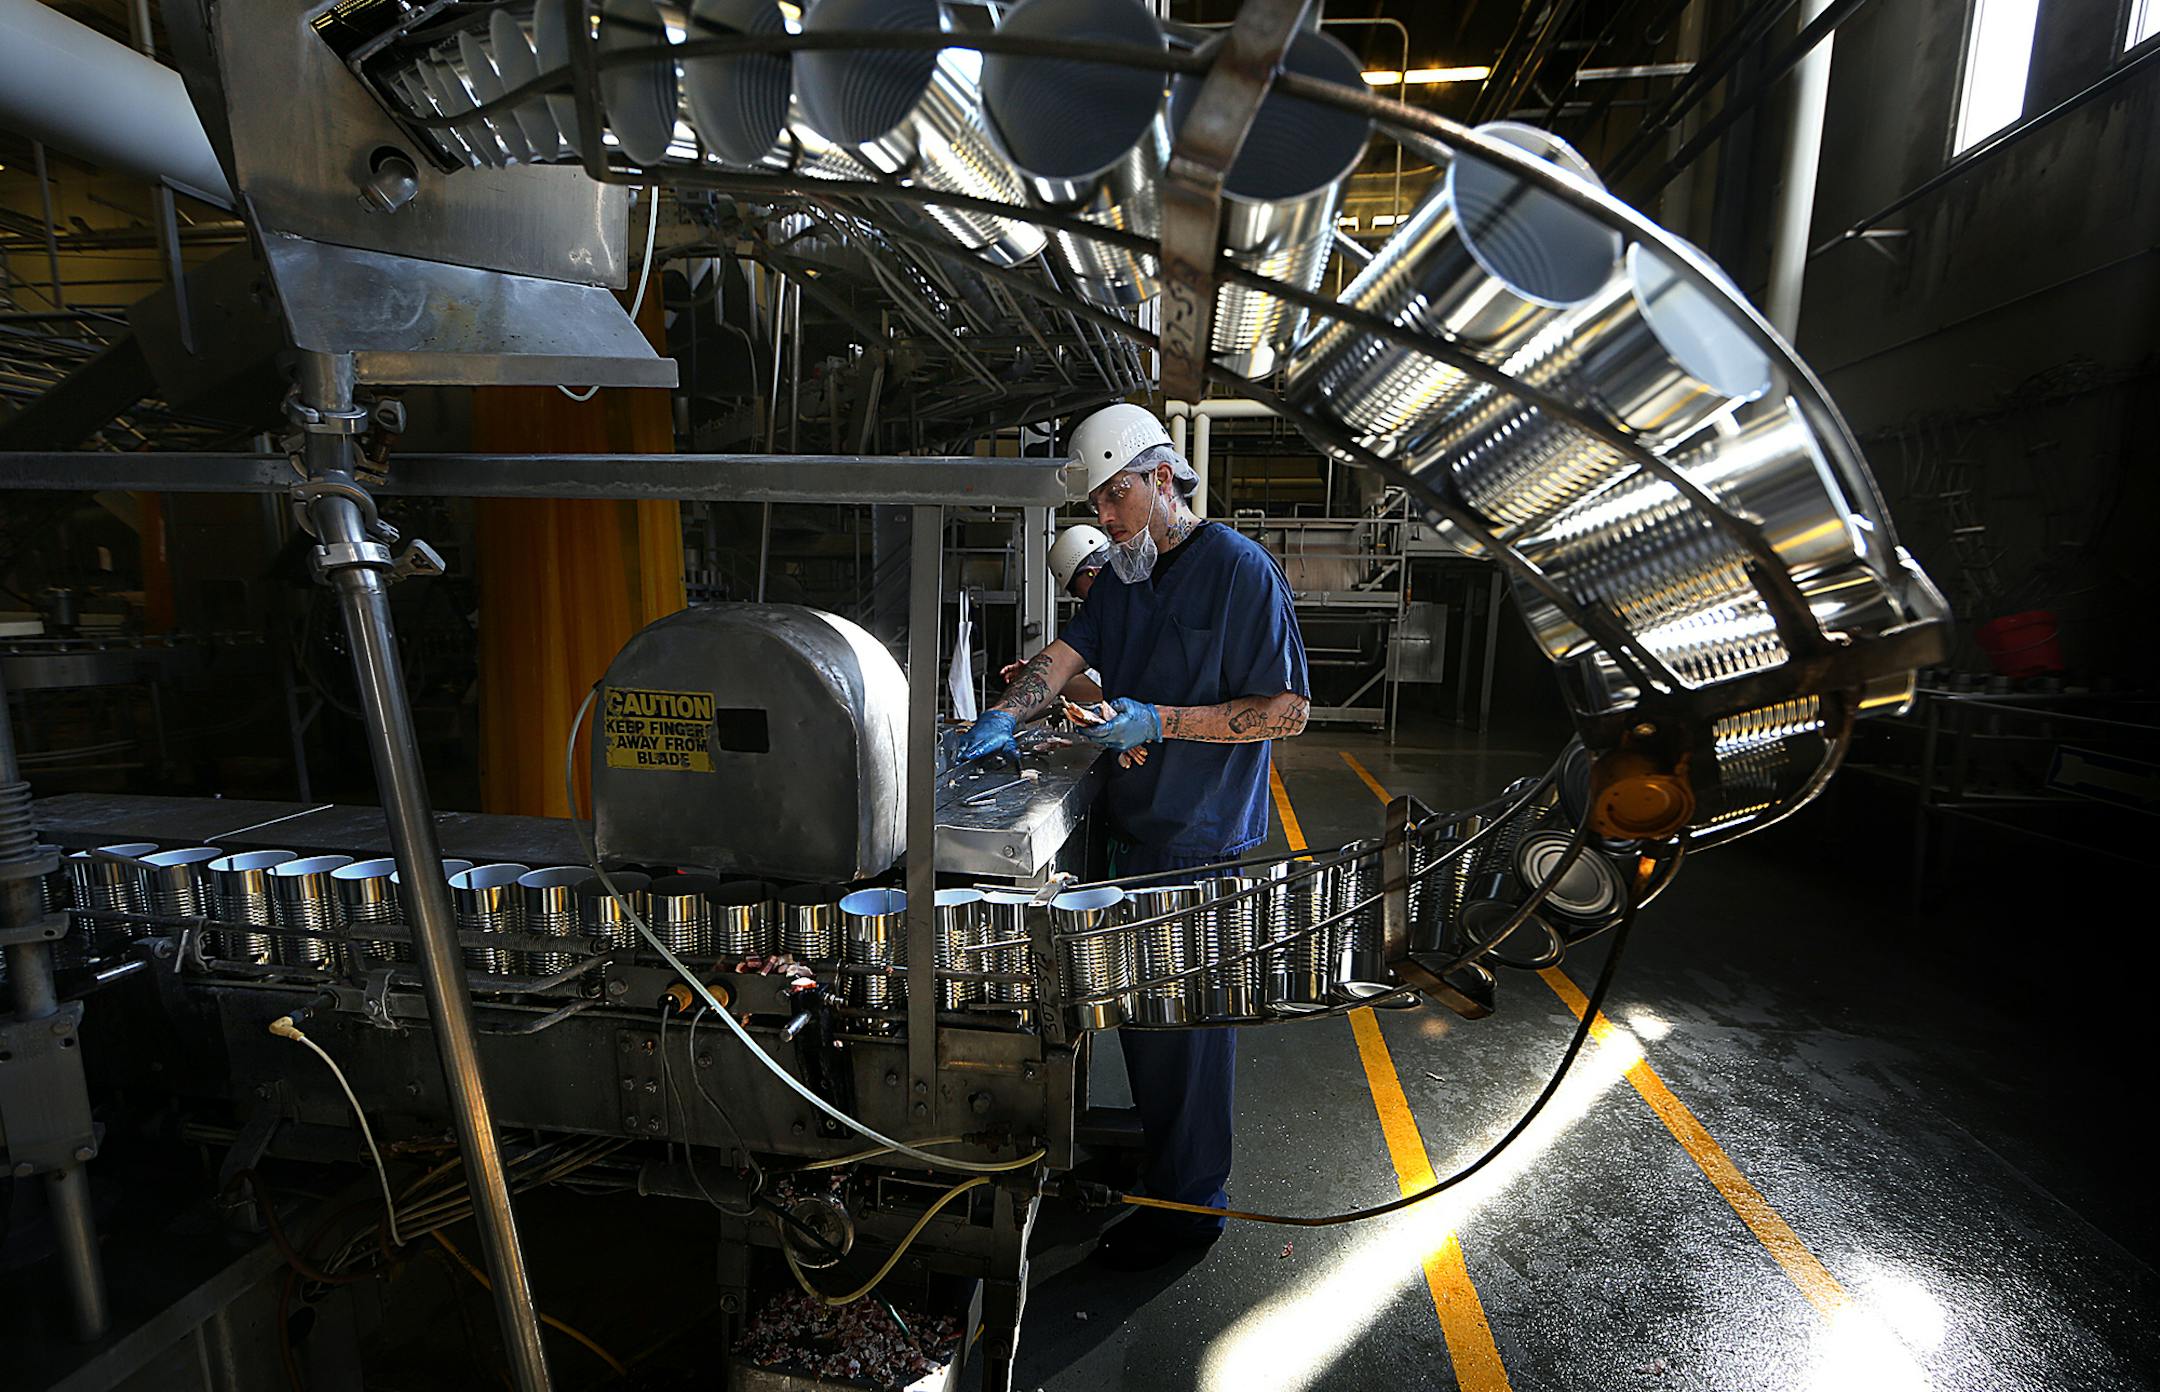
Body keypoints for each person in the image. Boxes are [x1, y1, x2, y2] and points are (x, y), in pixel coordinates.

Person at [957, 403, 1310, 1270]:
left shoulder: (1238, 571)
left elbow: (1287, 711)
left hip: (1199, 839)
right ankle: (1163, 1171)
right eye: (1097, 509)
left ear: (1161, 479)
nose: (1104, 521)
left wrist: (1165, 718)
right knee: (1144, 1029)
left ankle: (1191, 1213)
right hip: (1132, 833)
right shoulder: (1121, 574)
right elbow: (1068, 655)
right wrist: (1004, 714)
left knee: (1186, 1034)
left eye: (1113, 499)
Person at [999, 524, 1110, 708]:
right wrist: (1034, 671)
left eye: (1074, 588)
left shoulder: (1121, 607)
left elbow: (1099, 686)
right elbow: (1072, 655)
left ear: (1092, 573)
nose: (1075, 596)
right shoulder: (1101, 614)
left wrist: (1045, 680)